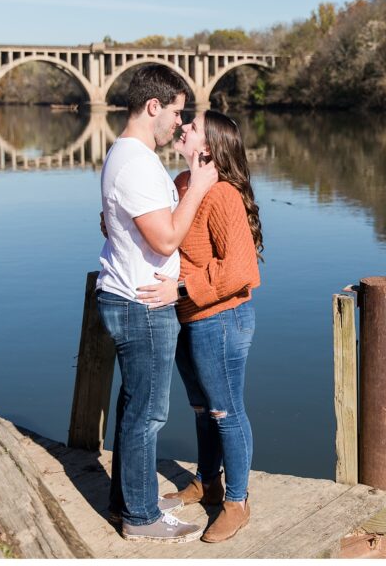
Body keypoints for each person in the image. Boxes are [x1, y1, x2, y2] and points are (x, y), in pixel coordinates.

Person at [96, 65, 218, 543]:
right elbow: (166, 239)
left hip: (131, 297)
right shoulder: (137, 162)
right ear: (153, 107)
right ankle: (142, 517)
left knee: (135, 407)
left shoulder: (129, 158)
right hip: (142, 305)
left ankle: (125, 500)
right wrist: (202, 188)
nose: (178, 123)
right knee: (148, 414)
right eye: (176, 112)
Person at [135, 110, 263, 543]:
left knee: (227, 412)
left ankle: (237, 501)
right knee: (202, 410)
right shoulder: (183, 184)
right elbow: (167, 236)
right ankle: (208, 482)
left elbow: (242, 269)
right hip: (189, 317)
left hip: (221, 318)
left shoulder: (223, 195)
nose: (184, 126)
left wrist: (183, 288)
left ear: (206, 148)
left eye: (193, 126)